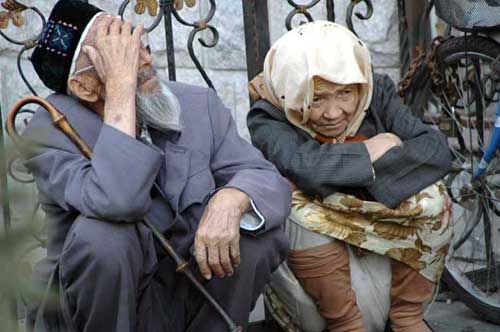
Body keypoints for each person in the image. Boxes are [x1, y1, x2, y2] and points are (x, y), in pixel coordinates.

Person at [21, 1, 292, 331]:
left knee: (255, 231)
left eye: (142, 44)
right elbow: (118, 200)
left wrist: (233, 197)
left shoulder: (196, 104)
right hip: (110, 305)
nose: (147, 59)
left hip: (192, 289)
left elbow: (267, 179)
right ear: (84, 86)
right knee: (105, 238)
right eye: (125, 57)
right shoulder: (50, 130)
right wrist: (121, 93)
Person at [247, 21, 453, 332]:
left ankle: (407, 316)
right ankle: (346, 324)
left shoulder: (375, 90)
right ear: (291, 91)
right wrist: (371, 150)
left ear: (360, 85)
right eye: (315, 99)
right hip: (317, 261)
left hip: (377, 227)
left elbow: (435, 150)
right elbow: (302, 166)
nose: (333, 113)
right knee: (296, 209)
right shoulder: (269, 113)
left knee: (434, 197)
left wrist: (347, 179)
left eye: (344, 94)